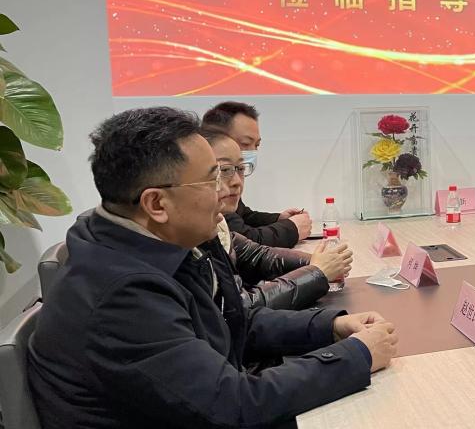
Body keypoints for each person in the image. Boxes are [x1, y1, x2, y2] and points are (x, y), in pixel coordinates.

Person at [28, 107, 398, 428]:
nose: (225, 191)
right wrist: (357, 356)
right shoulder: (120, 294)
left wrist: (329, 327)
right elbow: (233, 404)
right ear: (156, 204)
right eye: (212, 178)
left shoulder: (153, 245)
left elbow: (230, 322)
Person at [202, 128, 351, 310]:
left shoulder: (218, 226)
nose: (237, 182)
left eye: (240, 169)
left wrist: (318, 262)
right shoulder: (186, 245)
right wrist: (316, 272)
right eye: (223, 171)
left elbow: (256, 255)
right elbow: (239, 310)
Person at [202, 101, 313, 247]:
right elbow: (242, 240)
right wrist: (292, 228)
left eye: (257, 145)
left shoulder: (231, 183)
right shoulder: (207, 190)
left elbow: (243, 215)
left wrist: (279, 219)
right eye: (246, 143)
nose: (253, 151)